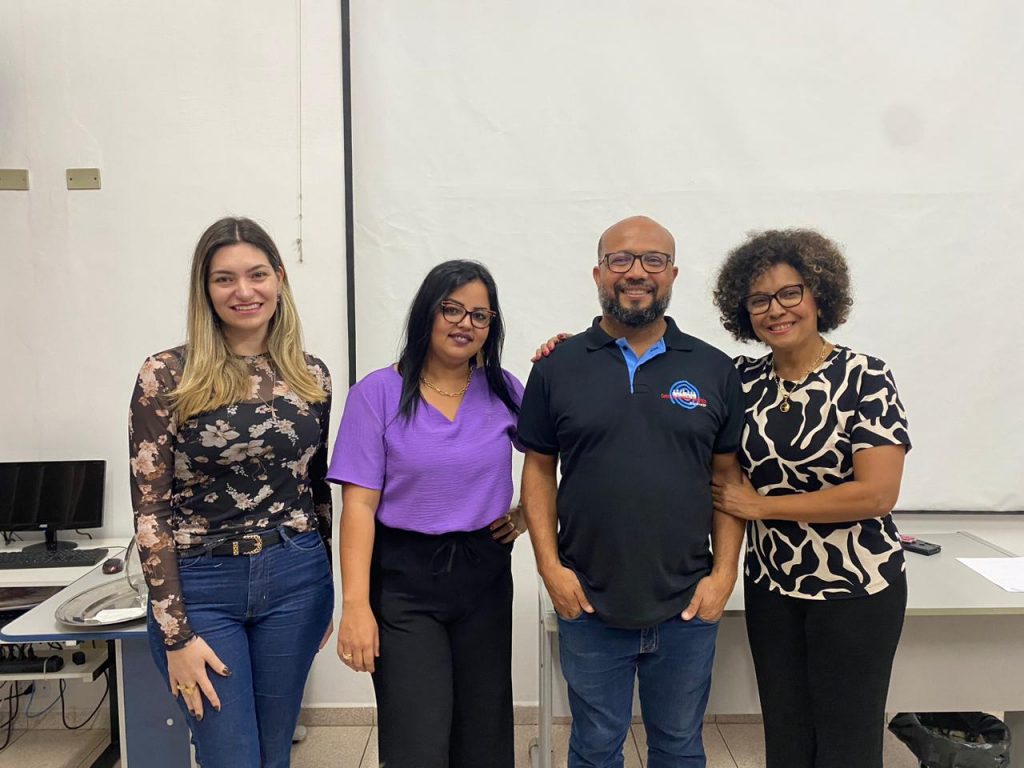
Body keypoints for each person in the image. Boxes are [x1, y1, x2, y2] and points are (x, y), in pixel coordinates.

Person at [518, 215, 746, 768]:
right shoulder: (557, 367)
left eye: (653, 260)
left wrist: (723, 575)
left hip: (687, 604)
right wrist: (549, 568)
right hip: (588, 601)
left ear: (673, 274)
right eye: (620, 259)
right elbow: (539, 470)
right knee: (596, 749)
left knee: (679, 747)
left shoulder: (714, 369)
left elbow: (727, 480)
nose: (636, 272)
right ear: (599, 272)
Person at [128, 217, 334, 768]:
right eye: (224, 279)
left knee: (274, 753)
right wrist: (175, 635)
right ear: (205, 289)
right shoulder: (166, 375)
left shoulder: (310, 375)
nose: (244, 291)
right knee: (231, 756)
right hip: (201, 585)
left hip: (296, 578)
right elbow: (150, 509)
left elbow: (316, 489)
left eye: (257, 274)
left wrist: (327, 588)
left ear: (279, 279)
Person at [710, 229, 911, 768]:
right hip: (772, 586)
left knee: (847, 745)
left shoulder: (865, 376)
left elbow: (876, 494)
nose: (775, 310)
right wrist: (577, 347)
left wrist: (762, 507)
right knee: (786, 738)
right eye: (759, 300)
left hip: (856, 588)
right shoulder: (740, 380)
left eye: (789, 293)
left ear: (820, 294)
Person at [327, 260, 524, 768]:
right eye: (451, 309)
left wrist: (525, 515)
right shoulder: (376, 394)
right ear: (426, 313)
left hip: (483, 575)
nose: (465, 324)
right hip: (403, 581)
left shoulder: (504, 388)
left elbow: (557, 452)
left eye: (479, 315)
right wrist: (355, 607)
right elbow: (359, 506)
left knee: (484, 733)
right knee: (417, 738)